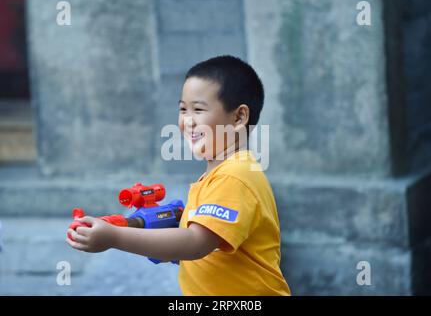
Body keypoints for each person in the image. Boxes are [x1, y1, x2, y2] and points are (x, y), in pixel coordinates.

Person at [67, 55, 291, 296]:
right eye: (183, 109)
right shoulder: (223, 173)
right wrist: (141, 225)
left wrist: (113, 237)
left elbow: (196, 243)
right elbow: (192, 241)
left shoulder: (233, 177)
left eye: (198, 109)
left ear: (238, 118)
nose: (187, 121)